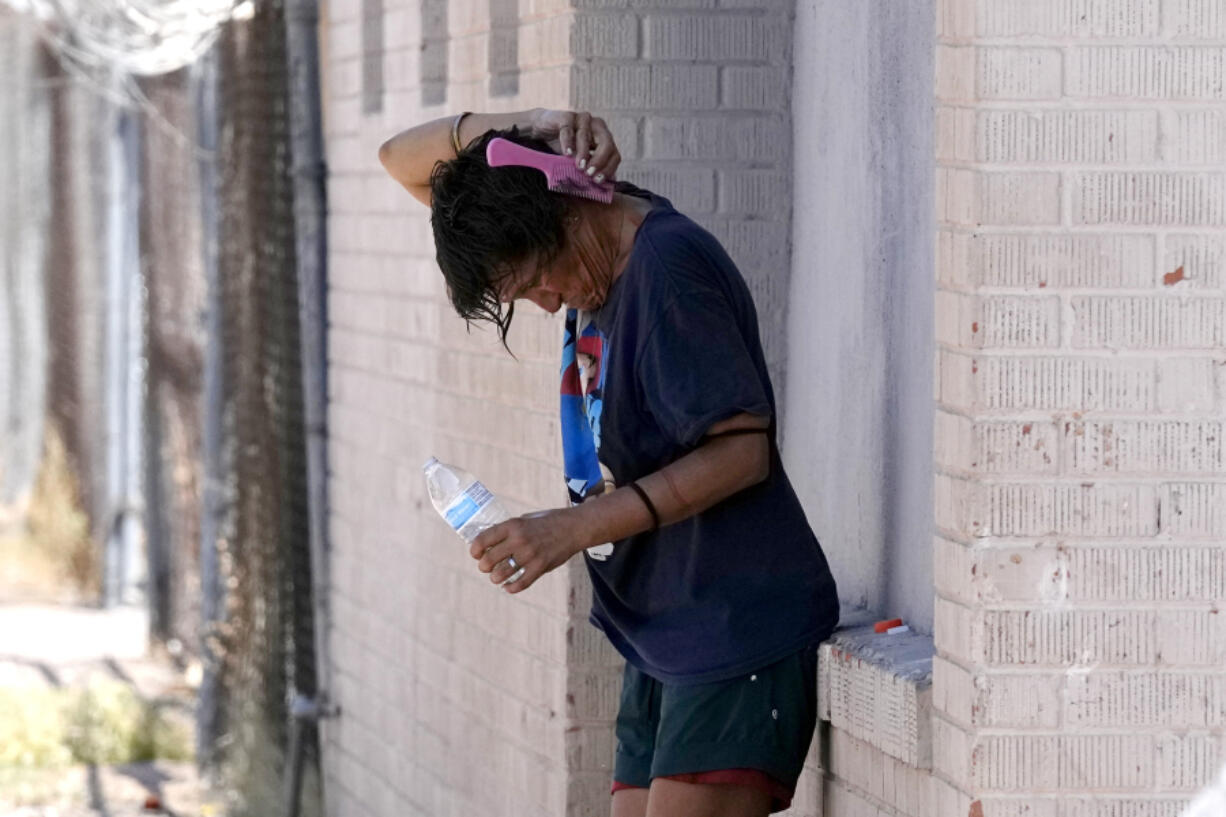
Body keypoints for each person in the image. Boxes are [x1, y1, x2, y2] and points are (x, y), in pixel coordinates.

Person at [379, 108, 840, 817]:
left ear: (565, 204)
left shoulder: (665, 269)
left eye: (539, 279)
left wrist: (573, 527)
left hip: (733, 625)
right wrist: (529, 126)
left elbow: (743, 450)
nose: (545, 302)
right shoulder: (583, 239)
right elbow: (398, 160)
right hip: (664, 636)